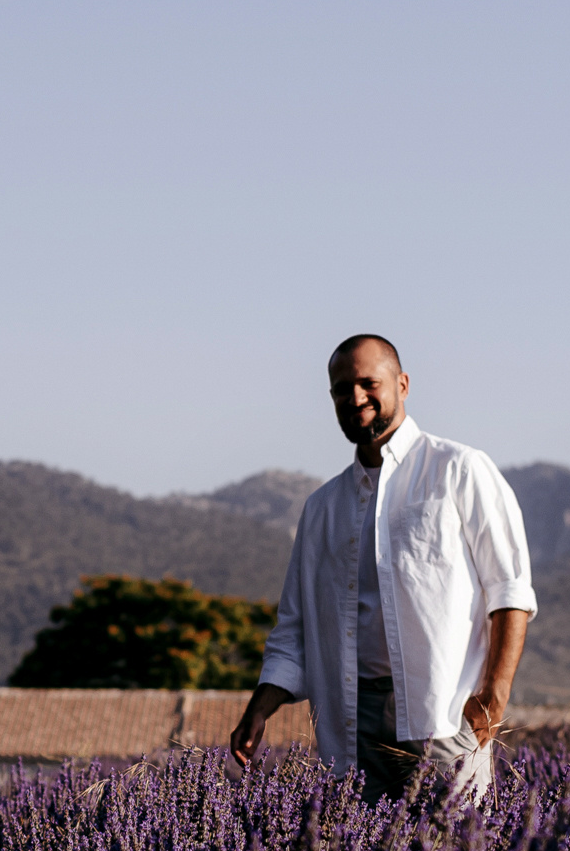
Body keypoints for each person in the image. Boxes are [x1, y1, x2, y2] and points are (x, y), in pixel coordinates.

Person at [229, 334, 536, 803]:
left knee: (455, 847)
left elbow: (509, 589)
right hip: (352, 725)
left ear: (403, 384)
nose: (355, 397)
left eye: (368, 383)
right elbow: (294, 628)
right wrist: (260, 707)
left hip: (443, 715)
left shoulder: (459, 470)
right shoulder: (322, 508)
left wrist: (495, 693)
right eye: (341, 389)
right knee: (362, 850)